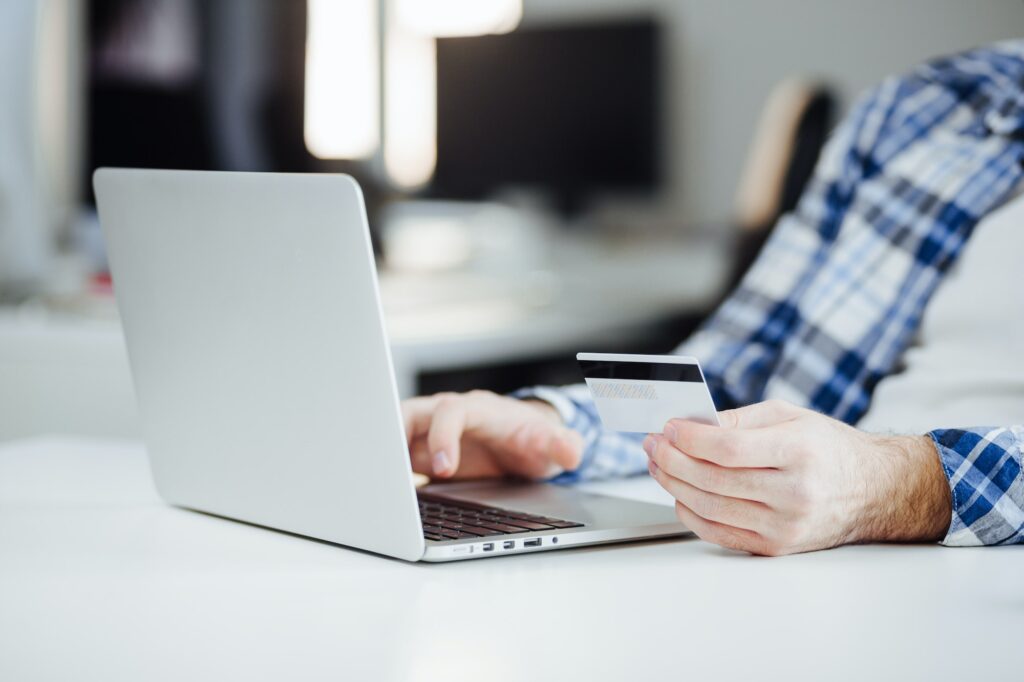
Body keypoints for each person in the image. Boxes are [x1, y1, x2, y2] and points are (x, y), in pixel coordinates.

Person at [402, 41, 1024, 555]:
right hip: (781, 562)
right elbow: (733, 371)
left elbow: (869, 484)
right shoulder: (939, 105)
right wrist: (553, 430)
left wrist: (896, 485)